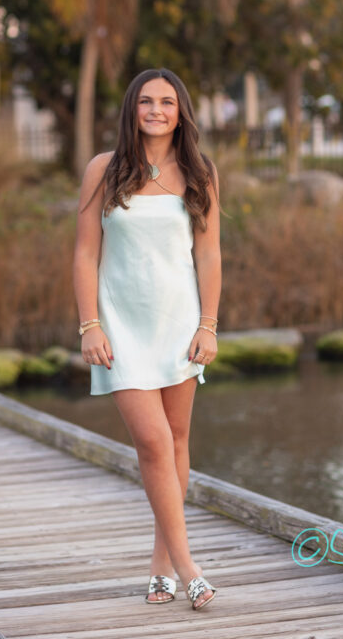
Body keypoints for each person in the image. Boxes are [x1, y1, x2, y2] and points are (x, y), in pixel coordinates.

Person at [73, 68, 221, 611]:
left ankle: (160, 566)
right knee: (154, 444)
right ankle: (189, 567)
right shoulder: (103, 170)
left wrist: (208, 324)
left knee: (177, 442)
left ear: (180, 111)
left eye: (167, 101)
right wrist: (90, 324)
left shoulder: (200, 173)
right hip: (120, 329)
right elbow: (86, 253)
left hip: (179, 327)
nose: (156, 110)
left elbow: (208, 255)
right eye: (146, 101)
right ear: (132, 108)